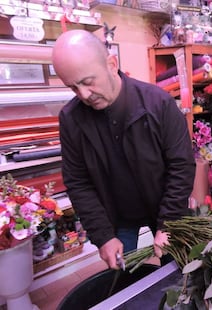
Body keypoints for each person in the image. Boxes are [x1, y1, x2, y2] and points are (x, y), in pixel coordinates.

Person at [52, 30, 196, 269]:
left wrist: (169, 223)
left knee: (178, 270)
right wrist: (103, 236)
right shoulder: (71, 119)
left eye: (88, 82)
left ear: (111, 63)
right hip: (115, 215)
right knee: (123, 278)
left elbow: (181, 166)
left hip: (163, 205)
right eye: (74, 88)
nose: (84, 95)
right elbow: (78, 182)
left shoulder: (158, 104)